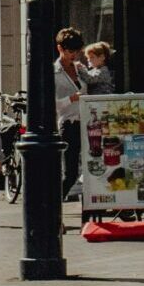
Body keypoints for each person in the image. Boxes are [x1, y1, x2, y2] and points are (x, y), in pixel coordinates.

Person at [54, 27, 87, 200]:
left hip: (88, 123)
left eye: (77, 51)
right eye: (70, 51)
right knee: (71, 173)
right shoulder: (54, 73)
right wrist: (71, 99)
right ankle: (53, 206)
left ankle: (89, 212)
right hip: (69, 124)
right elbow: (52, 106)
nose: (74, 55)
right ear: (60, 48)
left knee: (92, 169)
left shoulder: (80, 69)